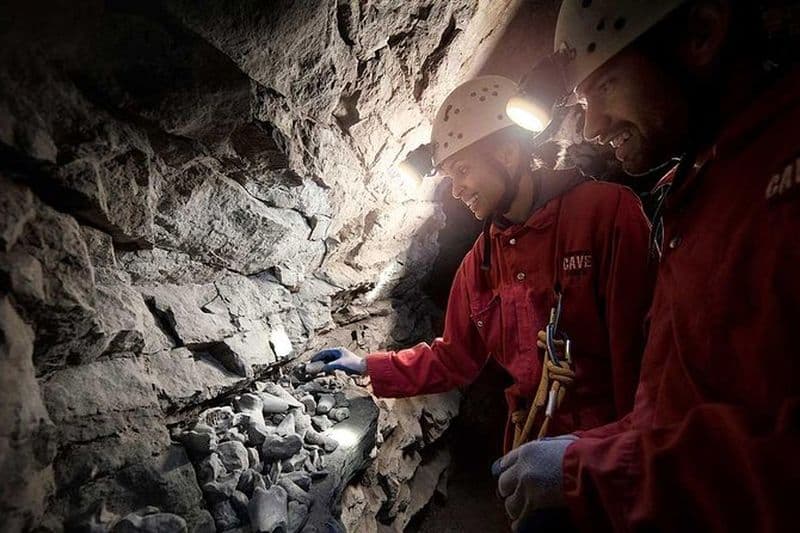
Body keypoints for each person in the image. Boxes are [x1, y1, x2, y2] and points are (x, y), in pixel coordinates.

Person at [493, 1, 800, 531]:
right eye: (583, 101)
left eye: (605, 86)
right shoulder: (697, 189)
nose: (591, 127)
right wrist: (592, 448)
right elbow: (680, 403)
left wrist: (602, 471)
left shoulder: (779, 175)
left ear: (701, 33)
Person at [313, 75, 654, 456]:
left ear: (507, 154)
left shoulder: (605, 213)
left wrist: (620, 456)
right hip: (533, 443)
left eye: (462, 170)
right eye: (449, 177)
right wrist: (368, 366)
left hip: (610, 446)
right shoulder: (480, 264)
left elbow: (644, 355)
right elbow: (454, 358)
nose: (456, 190)